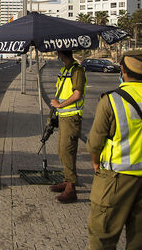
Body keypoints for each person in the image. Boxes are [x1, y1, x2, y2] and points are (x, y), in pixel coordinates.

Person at [86, 50, 142, 249]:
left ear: (122, 70)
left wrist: (96, 164)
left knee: (103, 236)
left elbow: (95, 143)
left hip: (116, 179)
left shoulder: (112, 100)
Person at [49, 50, 86, 203]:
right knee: (61, 150)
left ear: (61, 54)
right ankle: (67, 179)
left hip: (71, 116)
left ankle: (71, 188)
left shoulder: (76, 70)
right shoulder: (65, 69)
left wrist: (59, 105)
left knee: (67, 150)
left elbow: (77, 94)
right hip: (63, 116)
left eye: (57, 52)